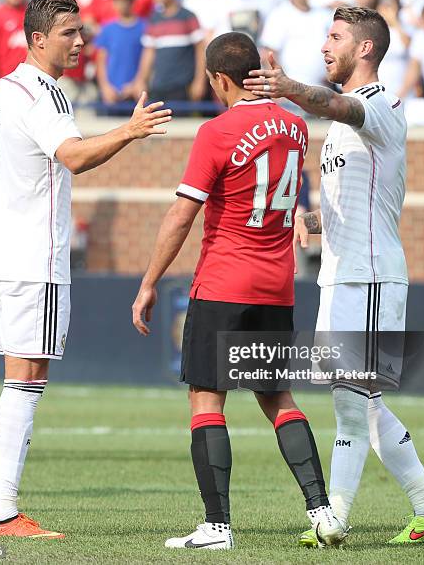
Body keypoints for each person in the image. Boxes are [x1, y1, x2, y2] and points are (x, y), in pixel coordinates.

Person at [244, 6, 424, 545]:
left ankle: (333, 516)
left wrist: (286, 86)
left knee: (349, 398)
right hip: (343, 276)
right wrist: (311, 220)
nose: (325, 46)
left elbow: (333, 102)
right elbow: (362, 197)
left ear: (366, 48)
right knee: (364, 401)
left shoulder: (378, 103)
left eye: (335, 37)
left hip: (369, 276)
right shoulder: (344, 124)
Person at [132, 31, 346, 550]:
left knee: (207, 398)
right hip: (277, 284)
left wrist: (148, 282)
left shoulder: (216, 132)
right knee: (278, 398)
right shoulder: (295, 126)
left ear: (220, 79)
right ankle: (322, 512)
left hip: (225, 279)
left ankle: (216, 526)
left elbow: (182, 215)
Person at [0, 0, 171, 538]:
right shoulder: (44, 93)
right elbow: (75, 157)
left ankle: (1, 510)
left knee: (23, 375)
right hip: (32, 259)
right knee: (25, 379)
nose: (80, 41)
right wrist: (130, 130)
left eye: (80, 30)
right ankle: (2, 512)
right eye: (68, 32)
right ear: (38, 39)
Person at [133, 0, 206, 102]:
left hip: (183, 88)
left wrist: (199, 81)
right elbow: (149, 53)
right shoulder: (153, 19)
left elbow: (201, 50)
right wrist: (141, 80)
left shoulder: (188, 17)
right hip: (159, 87)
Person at [260, 0, 331, 88]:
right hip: (292, 90)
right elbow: (268, 54)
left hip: (322, 89)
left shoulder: (322, 15)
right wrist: (277, 86)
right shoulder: (280, 14)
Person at [95, 0, 144, 104]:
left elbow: (148, 60)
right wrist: (105, 87)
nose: (120, 5)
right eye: (116, 0)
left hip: (136, 94)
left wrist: (136, 84)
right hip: (111, 94)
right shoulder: (107, 29)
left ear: (132, 1)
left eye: (124, 0)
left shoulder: (145, 28)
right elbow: (101, 61)